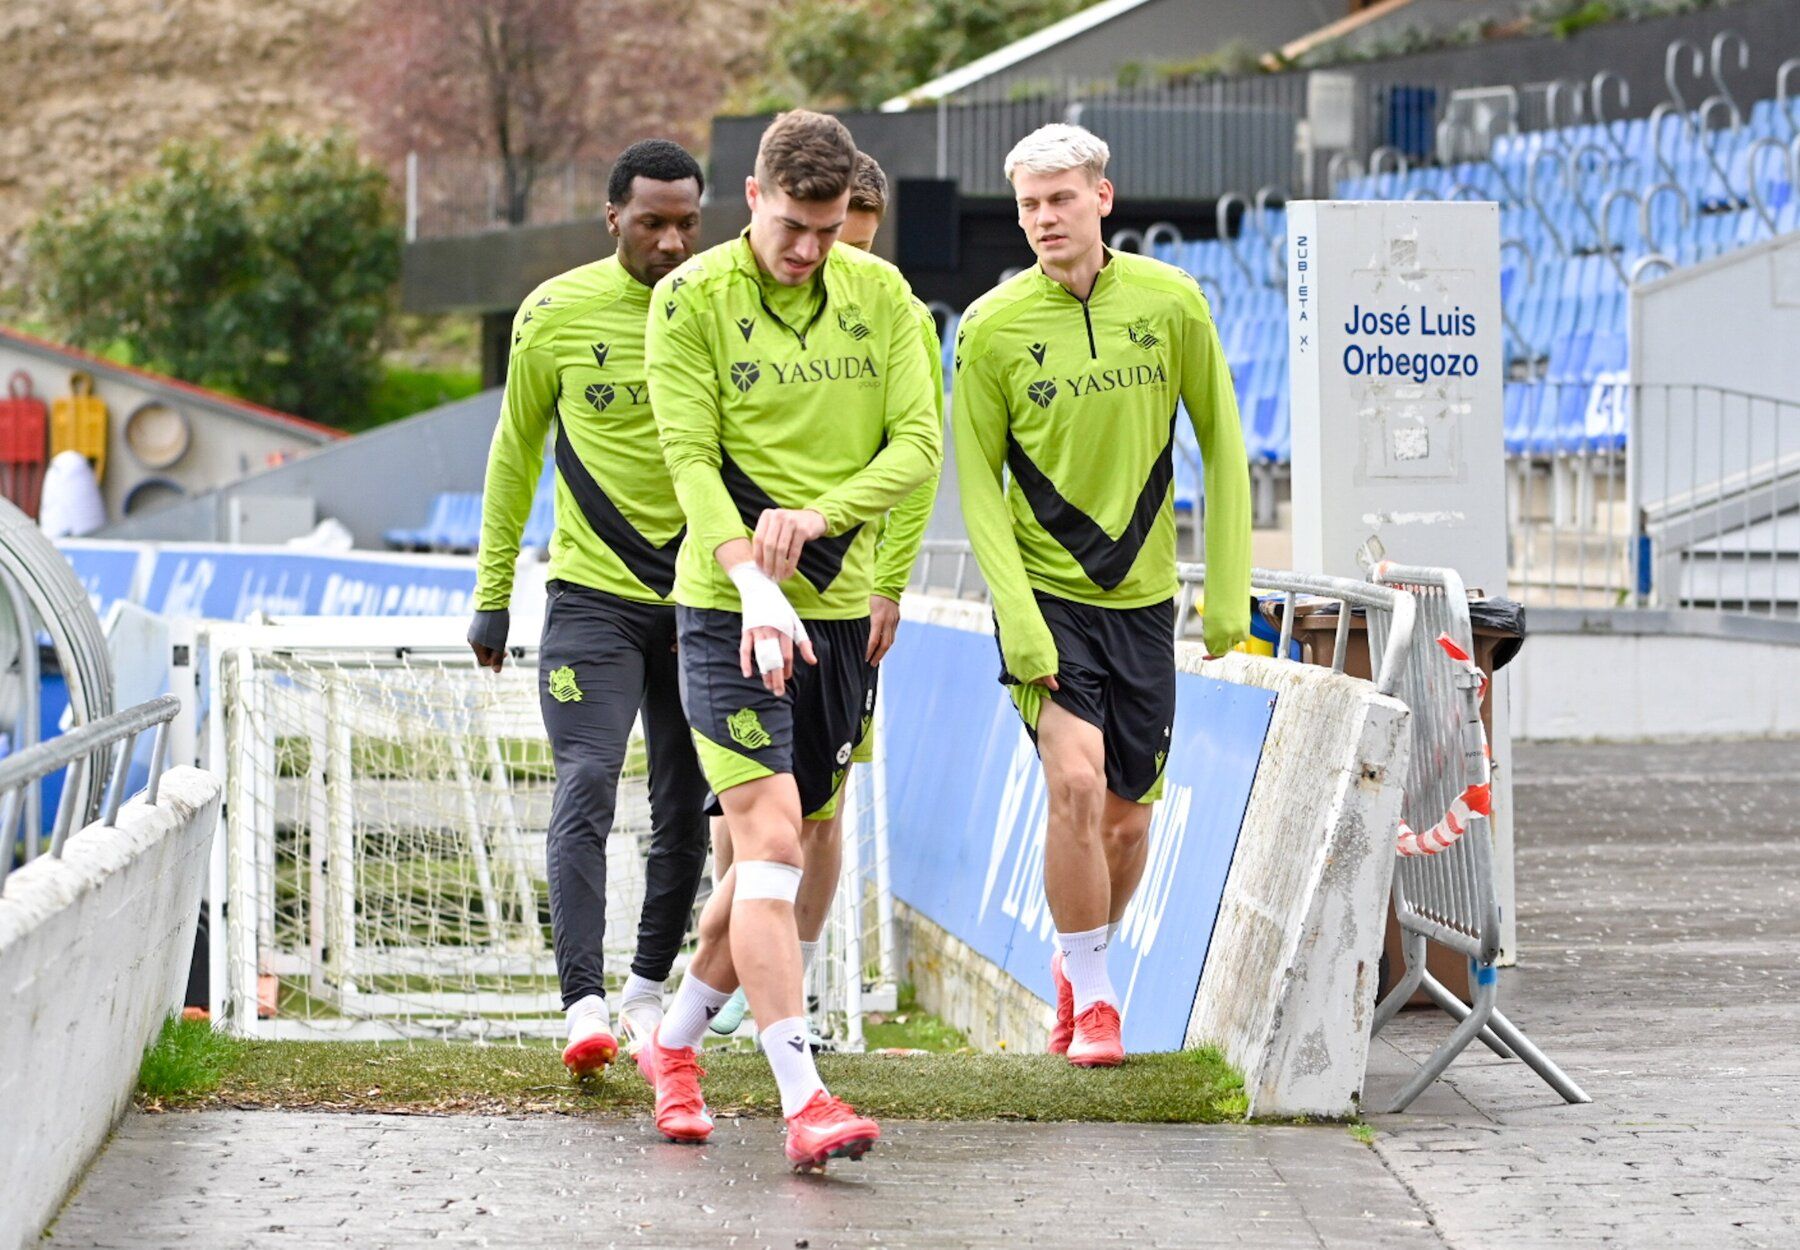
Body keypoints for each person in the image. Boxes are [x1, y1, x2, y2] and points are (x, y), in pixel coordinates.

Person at [640, 110, 940, 1167]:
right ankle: (803, 1095)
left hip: (833, 608)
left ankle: (671, 1045)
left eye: (826, 231)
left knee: (786, 853)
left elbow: (918, 446)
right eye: (793, 230)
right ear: (755, 196)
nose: (811, 251)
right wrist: (745, 577)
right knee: (763, 842)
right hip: (723, 608)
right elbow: (689, 455)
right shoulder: (689, 298)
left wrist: (815, 521)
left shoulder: (882, 293)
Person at [952, 123, 1251, 1067]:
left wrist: (1229, 600)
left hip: (1146, 600)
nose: (1044, 218)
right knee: (1073, 784)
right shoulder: (993, 327)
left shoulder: (1171, 301)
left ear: (1102, 198)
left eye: (1061, 199)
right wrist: (1021, 619)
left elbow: (1226, 448)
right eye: (1030, 205)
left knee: (1127, 822)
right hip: (1043, 598)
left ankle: (1077, 965)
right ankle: (1102, 1002)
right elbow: (976, 488)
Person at [468, 139, 710, 1076]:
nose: (672, 241)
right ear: (613, 218)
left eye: (688, 222)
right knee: (585, 785)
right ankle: (582, 1004)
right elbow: (514, 453)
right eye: (652, 222)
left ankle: (649, 996)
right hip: (591, 601)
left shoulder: (722, 307)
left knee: (687, 805)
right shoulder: (557, 314)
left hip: (701, 599)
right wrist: (493, 596)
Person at [704, 150, 942, 1042]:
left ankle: (785, 978)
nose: (838, 259)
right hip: (745, 589)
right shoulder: (731, 302)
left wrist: (890, 580)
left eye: (854, 241)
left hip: (848, 594)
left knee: (821, 805)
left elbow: (916, 462)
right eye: (827, 237)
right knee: (740, 800)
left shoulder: (893, 312)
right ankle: (738, 975)